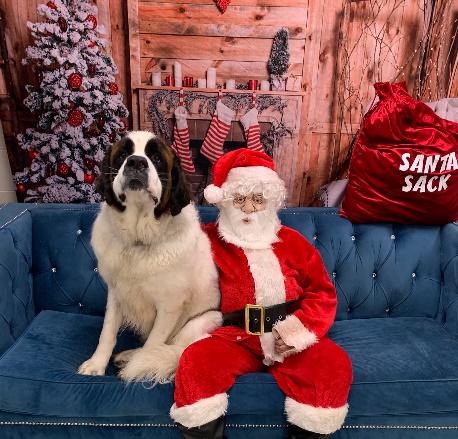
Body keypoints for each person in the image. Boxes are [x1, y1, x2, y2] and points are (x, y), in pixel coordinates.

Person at [170, 148, 352, 439]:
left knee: (332, 365)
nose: (248, 208)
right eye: (239, 199)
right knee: (196, 362)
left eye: (258, 199)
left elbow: (321, 293)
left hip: (288, 338)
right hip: (233, 337)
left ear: (271, 202)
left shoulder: (293, 242)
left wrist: (298, 331)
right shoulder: (207, 240)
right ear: (224, 201)